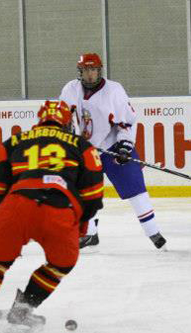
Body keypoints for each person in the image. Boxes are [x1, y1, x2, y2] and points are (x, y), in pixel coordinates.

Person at [0, 100, 104, 333]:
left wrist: (7, 213)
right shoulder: (82, 146)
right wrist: (78, 223)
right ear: (67, 122)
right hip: (59, 210)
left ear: (40, 120)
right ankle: (23, 308)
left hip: (16, 206)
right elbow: (93, 196)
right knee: (61, 263)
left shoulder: (14, 141)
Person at [59, 53, 166, 250]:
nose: (90, 75)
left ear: (99, 70)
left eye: (93, 70)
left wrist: (125, 145)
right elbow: (63, 115)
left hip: (113, 147)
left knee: (136, 190)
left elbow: (126, 122)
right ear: (80, 72)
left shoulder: (114, 91)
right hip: (86, 151)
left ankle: (154, 233)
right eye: (85, 70)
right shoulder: (70, 89)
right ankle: (89, 233)